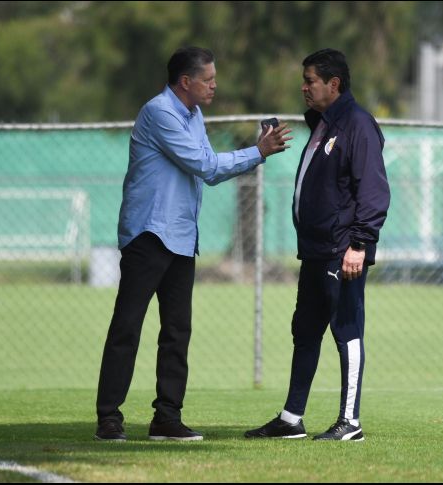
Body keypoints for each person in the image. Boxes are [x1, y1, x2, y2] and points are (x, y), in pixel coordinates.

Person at [95, 46, 292, 442]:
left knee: (176, 332)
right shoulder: (159, 112)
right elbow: (202, 166)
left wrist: (254, 153)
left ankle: (166, 418)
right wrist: (257, 152)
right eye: (208, 79)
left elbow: (209, 169)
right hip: (148, 233)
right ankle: (108, 419)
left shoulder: (195, 115)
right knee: (127, 328)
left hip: (182, 237)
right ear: (186, 82)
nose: (215, 85)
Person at [244, 48, 390, 441]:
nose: (304, 87)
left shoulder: (358, 125)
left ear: (334, 84)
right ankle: (292, 419)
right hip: (314, 250)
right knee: (305, 330)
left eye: (310, 81)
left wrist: (359, 243)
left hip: (343, 251)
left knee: (347, 330)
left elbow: (373, 192)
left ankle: (350, 422)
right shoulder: (325, 124)